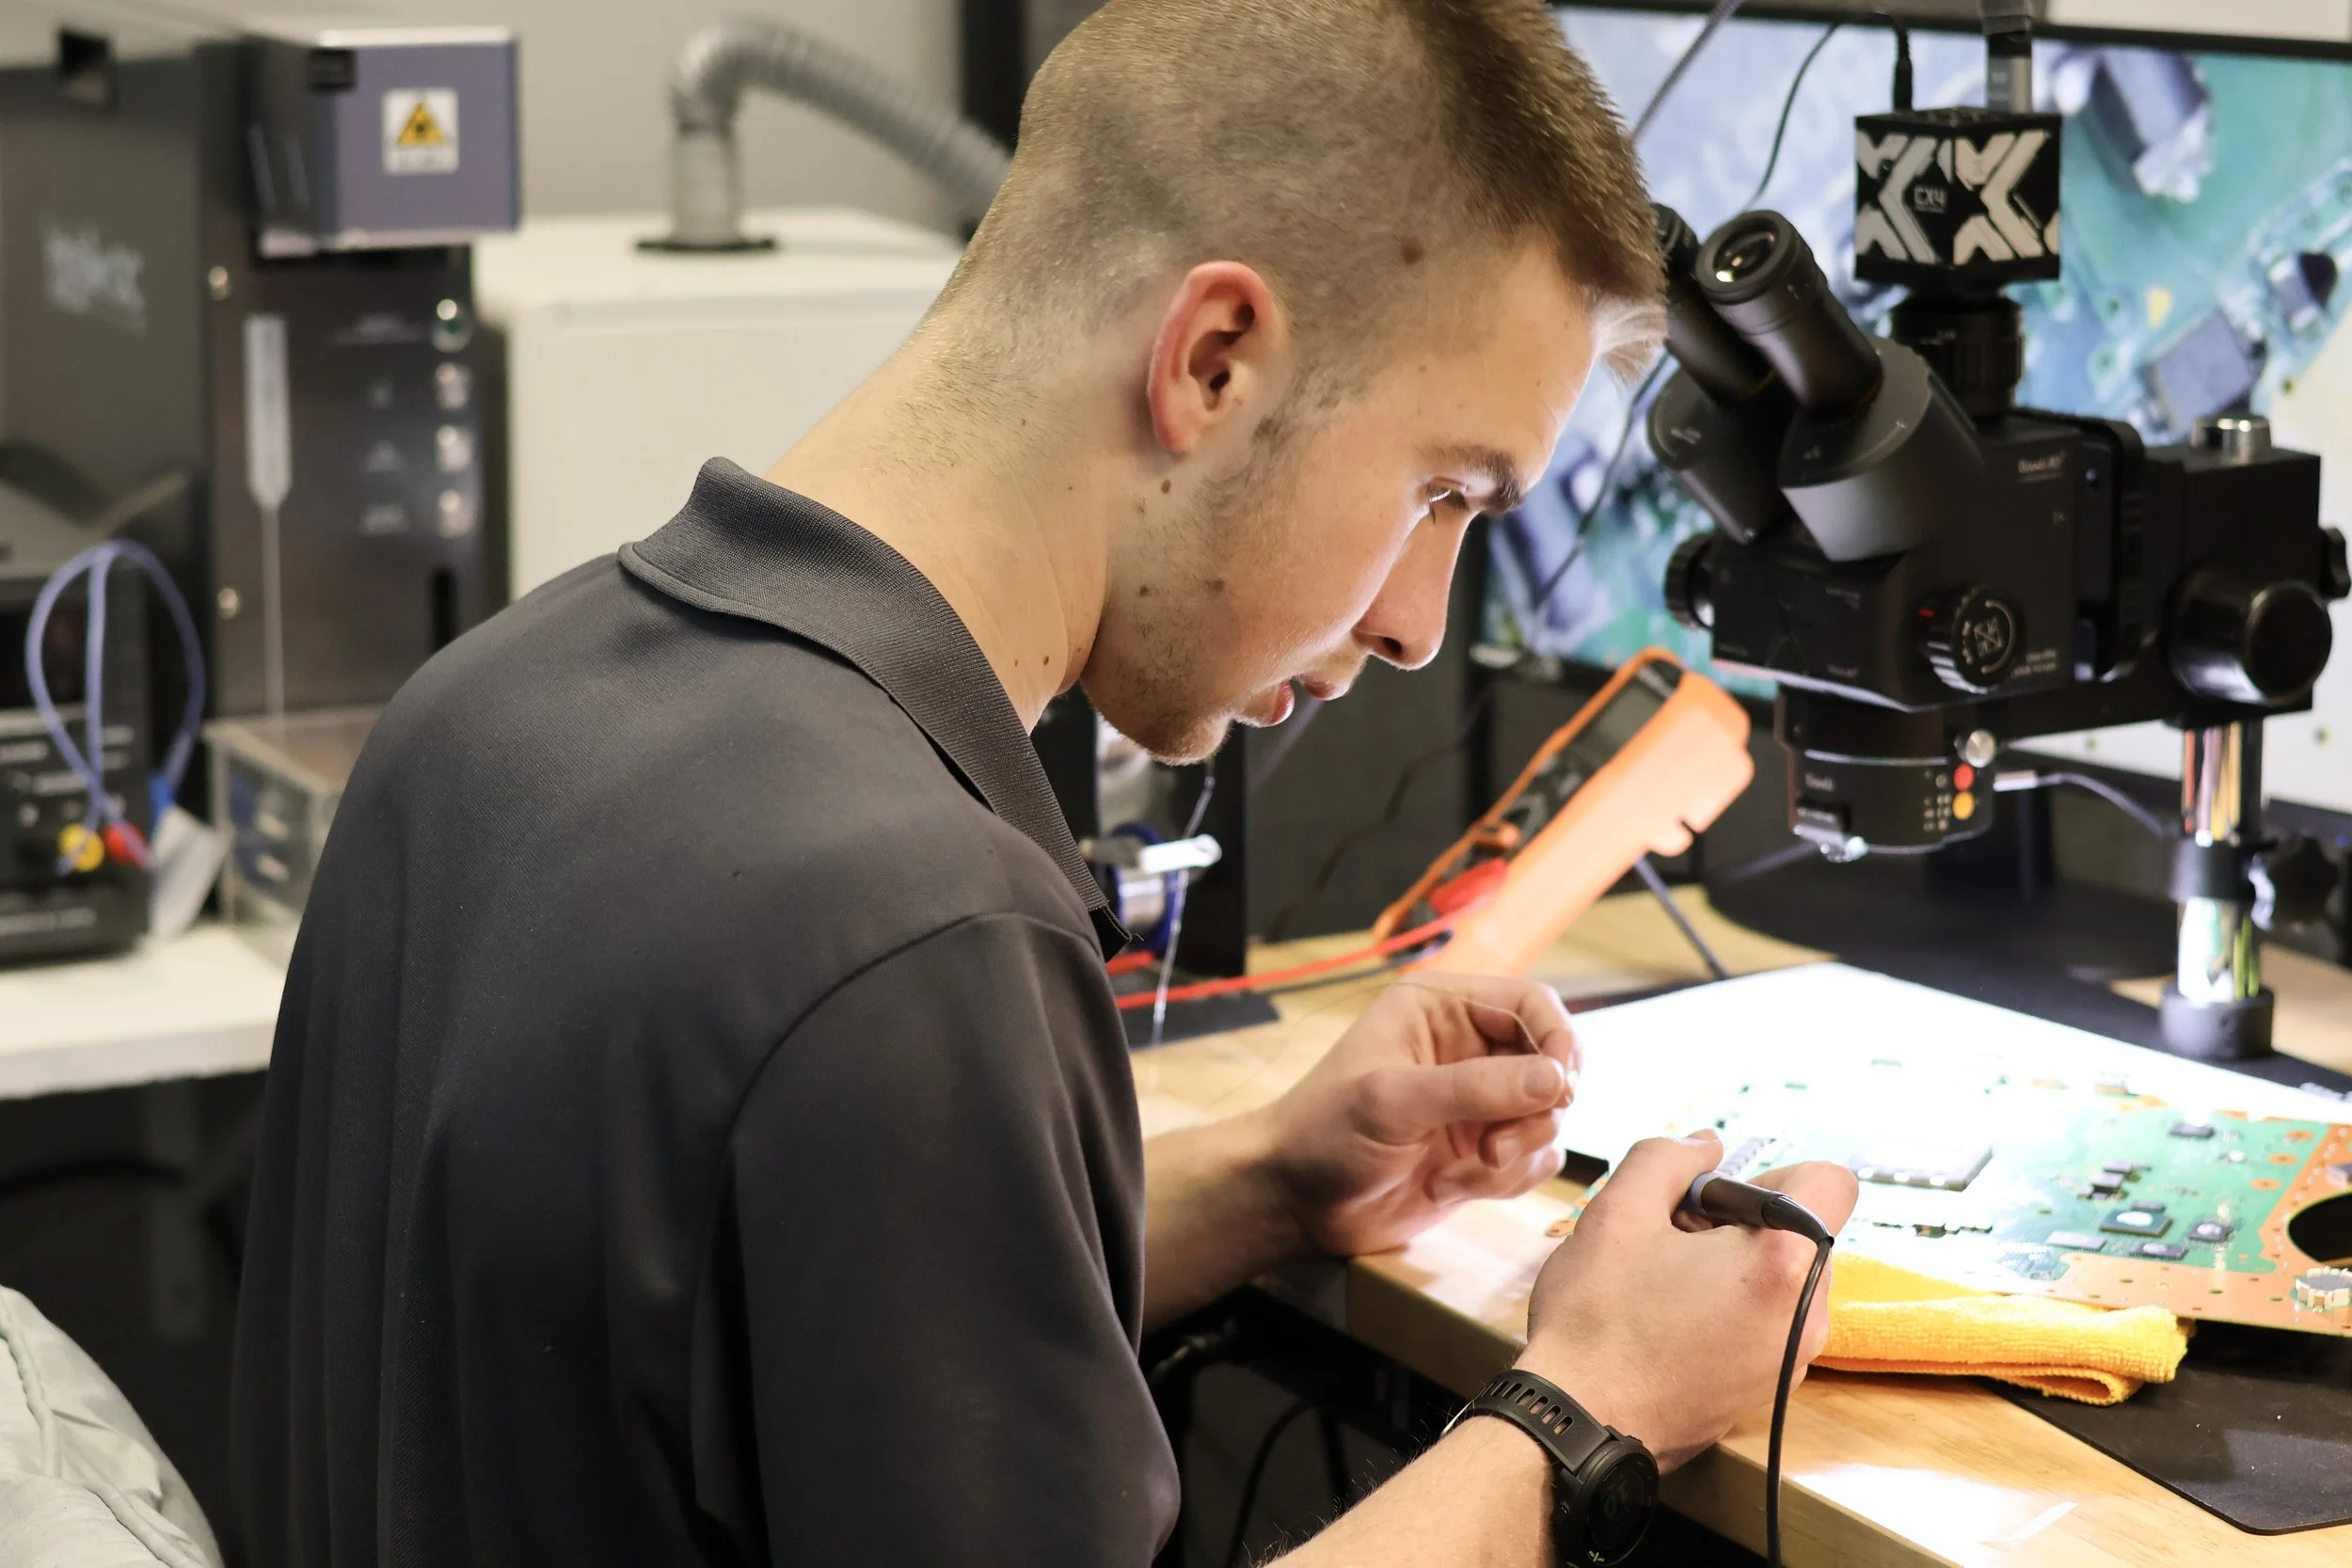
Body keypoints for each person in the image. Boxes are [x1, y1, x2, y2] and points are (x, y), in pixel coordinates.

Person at [230, 0, 1859, 1562]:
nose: (1423, 624)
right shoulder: (915, 932)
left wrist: (1270, 1175)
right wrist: (1587, 1409)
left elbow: (744, 1345)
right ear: (1212, 360)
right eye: (1443, 492)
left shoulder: (484, 710)